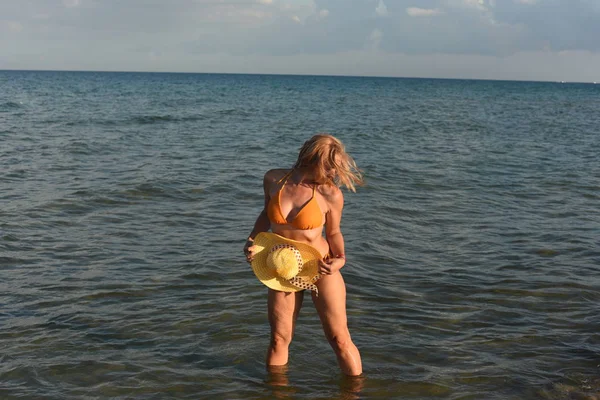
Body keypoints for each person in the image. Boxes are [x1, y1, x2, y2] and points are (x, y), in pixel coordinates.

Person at [243, 133, 364, 376]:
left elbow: (334, 232)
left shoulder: (330, 194)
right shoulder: (274, 179)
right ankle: (276, 393)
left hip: (321, 267)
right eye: (331, 168)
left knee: (339, 338)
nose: (334, 175)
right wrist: (252, 240)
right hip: (281, 267)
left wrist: (340, 259)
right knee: (279, 338)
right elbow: (266, 214)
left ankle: (355, 392)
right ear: (315, 160)